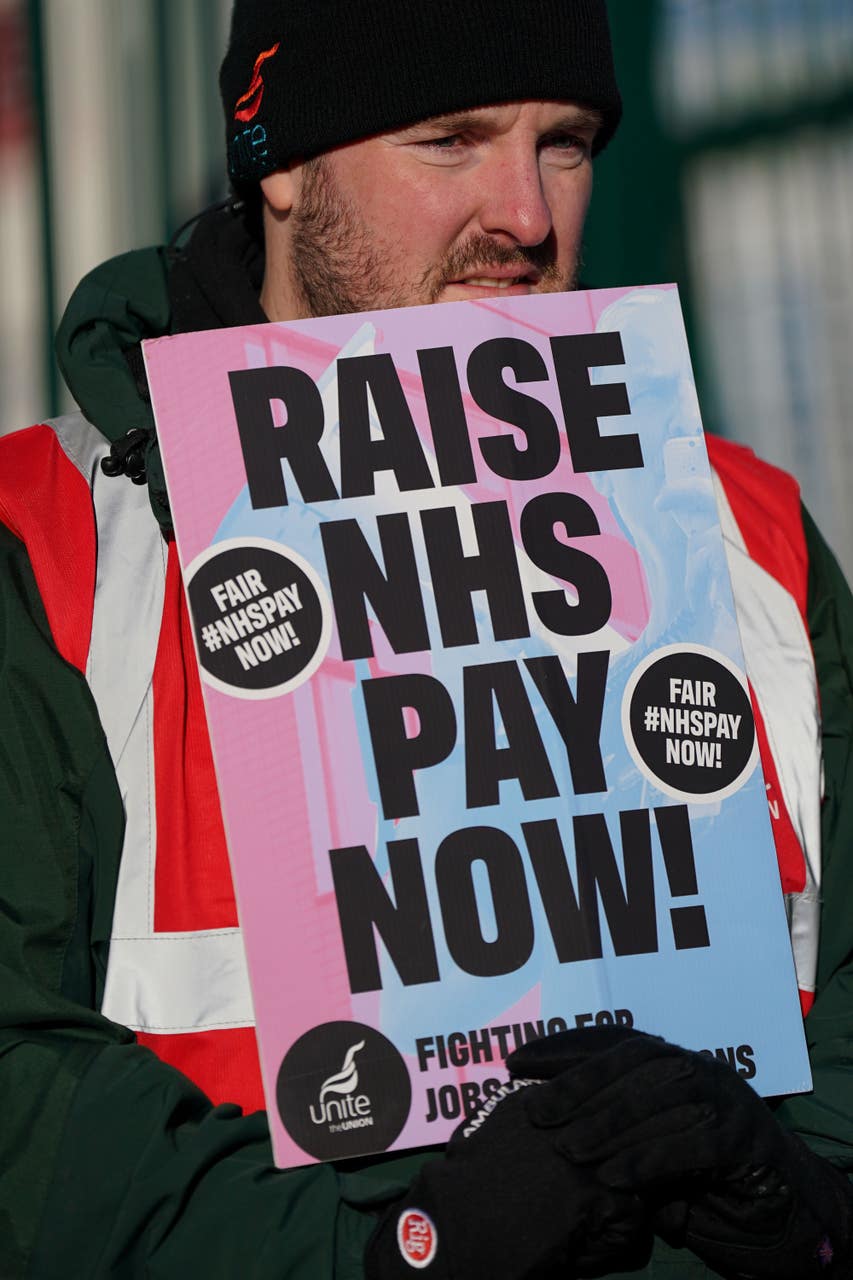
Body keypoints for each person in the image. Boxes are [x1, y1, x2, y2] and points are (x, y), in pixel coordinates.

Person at [2, 2, 853, 1276]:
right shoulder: (57, 547)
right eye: (449, 139)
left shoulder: (753, 536)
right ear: (278, 163)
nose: (525, 212)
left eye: (563, 142)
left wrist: (799, 1197)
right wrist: (405, 1248)